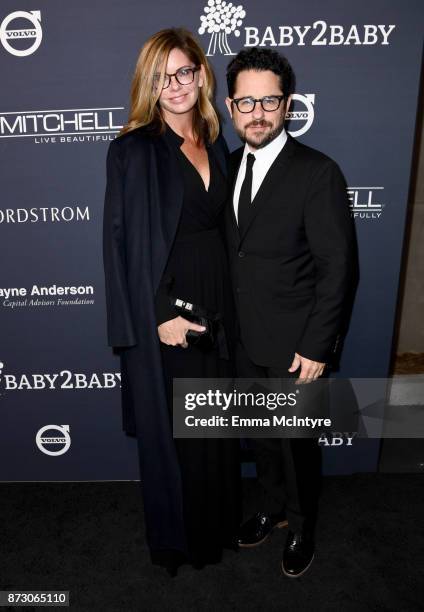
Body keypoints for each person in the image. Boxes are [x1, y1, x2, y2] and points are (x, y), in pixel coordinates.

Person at [103, 27, 241, 576]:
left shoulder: (218, 140)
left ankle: (216, 527)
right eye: (162, 77)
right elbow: (124, 244)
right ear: (150, 85)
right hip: (168, 300)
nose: (176, 85)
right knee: (177, 429)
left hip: (220, 296)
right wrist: (160, 314)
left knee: (213, 423)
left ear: (201, 74)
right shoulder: (134, 150)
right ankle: (180, 541)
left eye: (184, 71)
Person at [224, 48, 356, 577]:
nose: (258, 112)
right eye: (247, 101)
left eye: (270, 101)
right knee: (261, 438)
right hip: (241, 341)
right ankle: (271, 506)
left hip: (297, 346)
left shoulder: (317, 172)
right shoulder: (227, 166)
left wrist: (318, 347)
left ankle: (302, 527)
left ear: (288, 104)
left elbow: (339, 269)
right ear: (231, 107)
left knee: (297, 447)